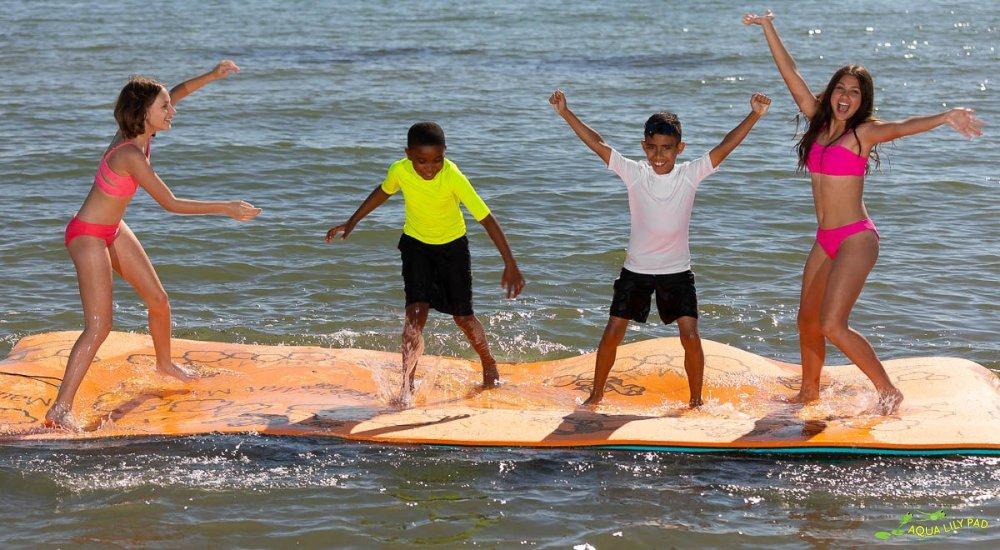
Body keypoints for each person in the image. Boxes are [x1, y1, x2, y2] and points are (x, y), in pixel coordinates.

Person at [743, 10, 983, 414]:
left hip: (856, 237)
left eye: (855, 92)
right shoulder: (817, 124)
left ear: (862, 100)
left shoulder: (863, 134)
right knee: (806, 321)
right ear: (831, 92)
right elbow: (791, 74)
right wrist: (769, 27)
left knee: (832, 325)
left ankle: (888, 390)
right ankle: (809, 392)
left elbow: (904, 126)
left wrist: (945, 117)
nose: (846, 97)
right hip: (825, 239)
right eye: (841, 88)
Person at [47, 60, 262, 428]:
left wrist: (212, 75)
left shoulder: (141, 133)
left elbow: (177, 91)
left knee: (159, 301)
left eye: (168, 105)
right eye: (164, 108)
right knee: (99, 326)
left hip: (112, 229)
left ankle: (165, 364)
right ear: (143, 114)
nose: (172, 110)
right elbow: (170, 203)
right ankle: (60, 410)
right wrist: (226, 207)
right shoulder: (129, 154)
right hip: (87, 237)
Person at [549, 89, 772, 407]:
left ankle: (696, 401)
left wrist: (754, 115)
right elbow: (598, 144)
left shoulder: (689, 175)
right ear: (644, 146)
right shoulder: (635, 174)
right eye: (652, 148)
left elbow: (725, 147)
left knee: (690, 336)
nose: (658, 155)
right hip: (635, 270)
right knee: (613, 331)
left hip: (677, 271)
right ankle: (595, 395)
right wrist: (565, 112)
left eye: (666, 149)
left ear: (680, 148)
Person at [326, 122, 525, 405]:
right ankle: (407, 387)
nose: (429, 168)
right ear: (408, 154)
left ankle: (488, 362)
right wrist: (352, 221)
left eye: (437, 160)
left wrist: (510, 263)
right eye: (421, 161)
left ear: (445, 154)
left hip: (452, 249)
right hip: (416, 247)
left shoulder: (453, 176)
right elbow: (383, 191)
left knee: (463, 319)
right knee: (415, 317)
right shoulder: (399, 170)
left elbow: (487, 219)